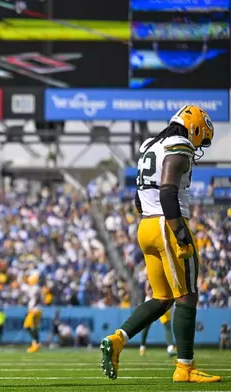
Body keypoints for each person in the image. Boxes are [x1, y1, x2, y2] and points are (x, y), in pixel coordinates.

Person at [99, 105, 221, 383]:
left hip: (146, 225)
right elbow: (167, 190)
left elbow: (139, 197)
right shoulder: (178, 145)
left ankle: (117, 340)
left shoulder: (152, 145)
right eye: (200, 137)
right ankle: (185, 368)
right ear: (194, 127)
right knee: (187, 294)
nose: (198, 144)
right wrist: (178, 231)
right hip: (167, 222)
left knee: (162, 298)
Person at [139, 281, 176, 357]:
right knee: (146, 325)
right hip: (152, 300)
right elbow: (147, 288)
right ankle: (142, 346)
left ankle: (170, 347)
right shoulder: (153, 274)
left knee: (167, 323)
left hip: (162, 300)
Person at [23, 280, 43, 353]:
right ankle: (37, 343)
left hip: (34, 310)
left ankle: (35, 344)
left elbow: (33, 298)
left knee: (27, 326)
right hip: (39, 309)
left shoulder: (34, 289)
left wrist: (31, 309)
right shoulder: (38, 289)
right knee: (35, 327)